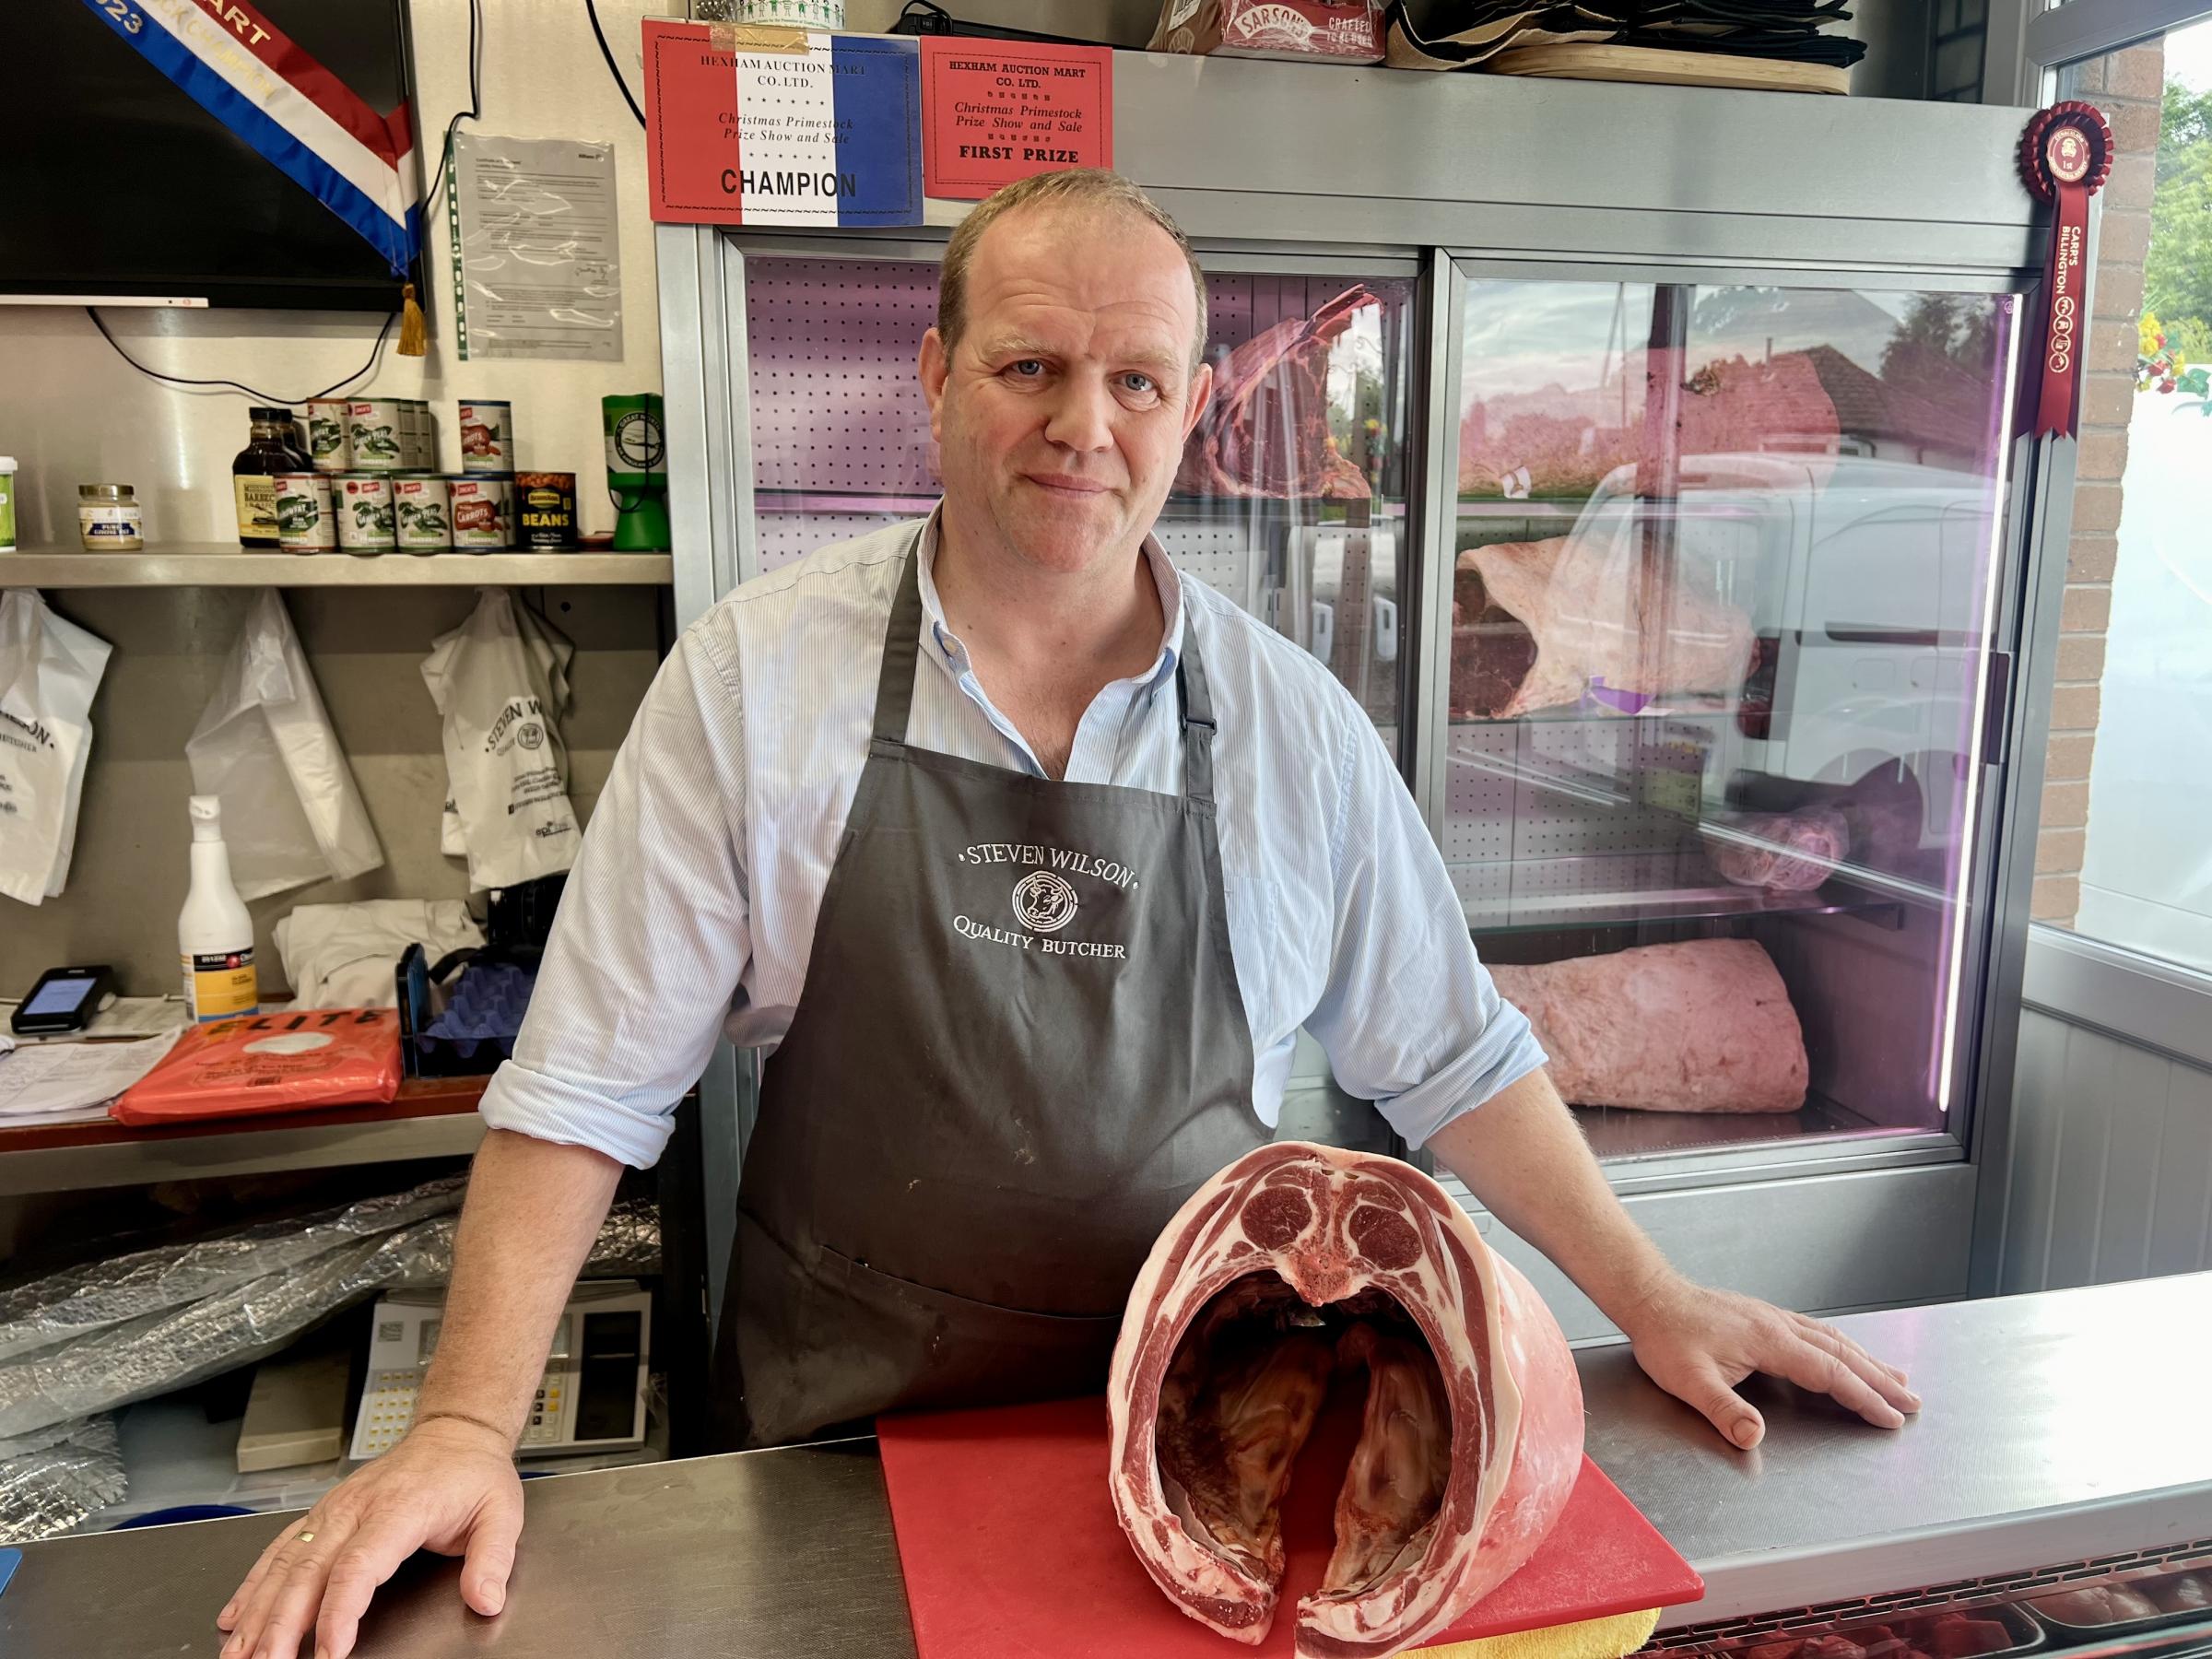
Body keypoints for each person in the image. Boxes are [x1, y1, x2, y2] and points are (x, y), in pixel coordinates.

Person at [215, 170, 1917, 1659]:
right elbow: (585, 1087)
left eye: (1136, 381)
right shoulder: (755, 682)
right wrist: (461, 1425)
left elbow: (1455, 1055)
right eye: (1029, 366)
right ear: (939, 375)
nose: (1080, 426)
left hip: (1216, 1458)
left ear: (1188, 411)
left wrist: (1653, 1289)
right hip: (838, 1453)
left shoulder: (1291, 729)